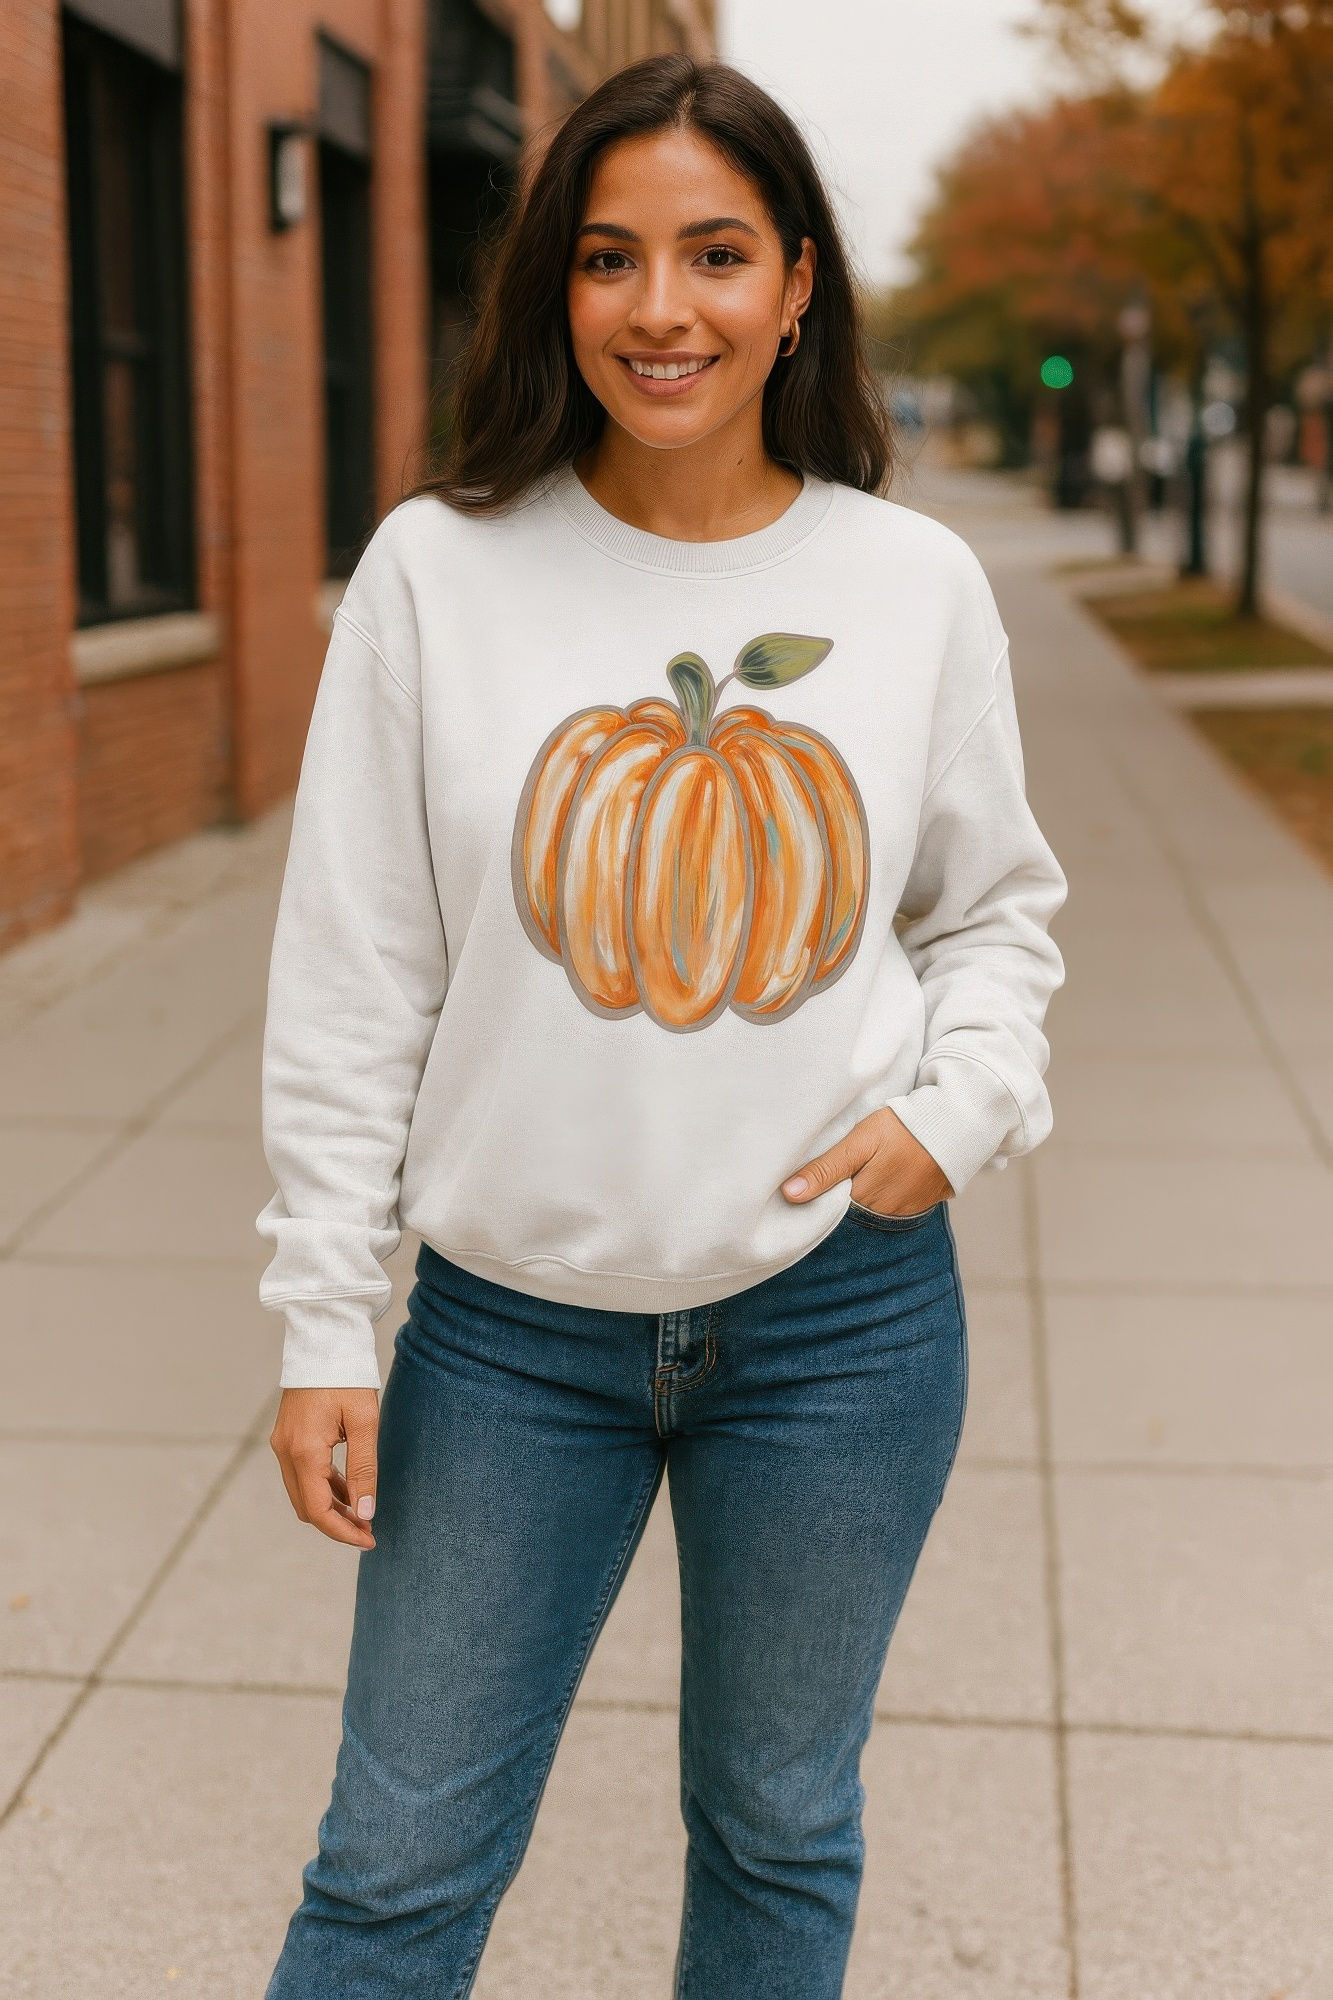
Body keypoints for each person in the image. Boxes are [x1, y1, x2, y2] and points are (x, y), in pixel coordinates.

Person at [256, 52, 1066, 2000]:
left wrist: (956, 1109)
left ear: (795, 286)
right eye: (608, 258)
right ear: (556, 288)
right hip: (507, 1337)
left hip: (839, 1327)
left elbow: (993, 913)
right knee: (390, 1872)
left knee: (779, 1831)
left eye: (714, 253)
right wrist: (321, 1315)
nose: (659, 308)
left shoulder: (910, 585)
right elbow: (354, 973)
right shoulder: (438, 570)